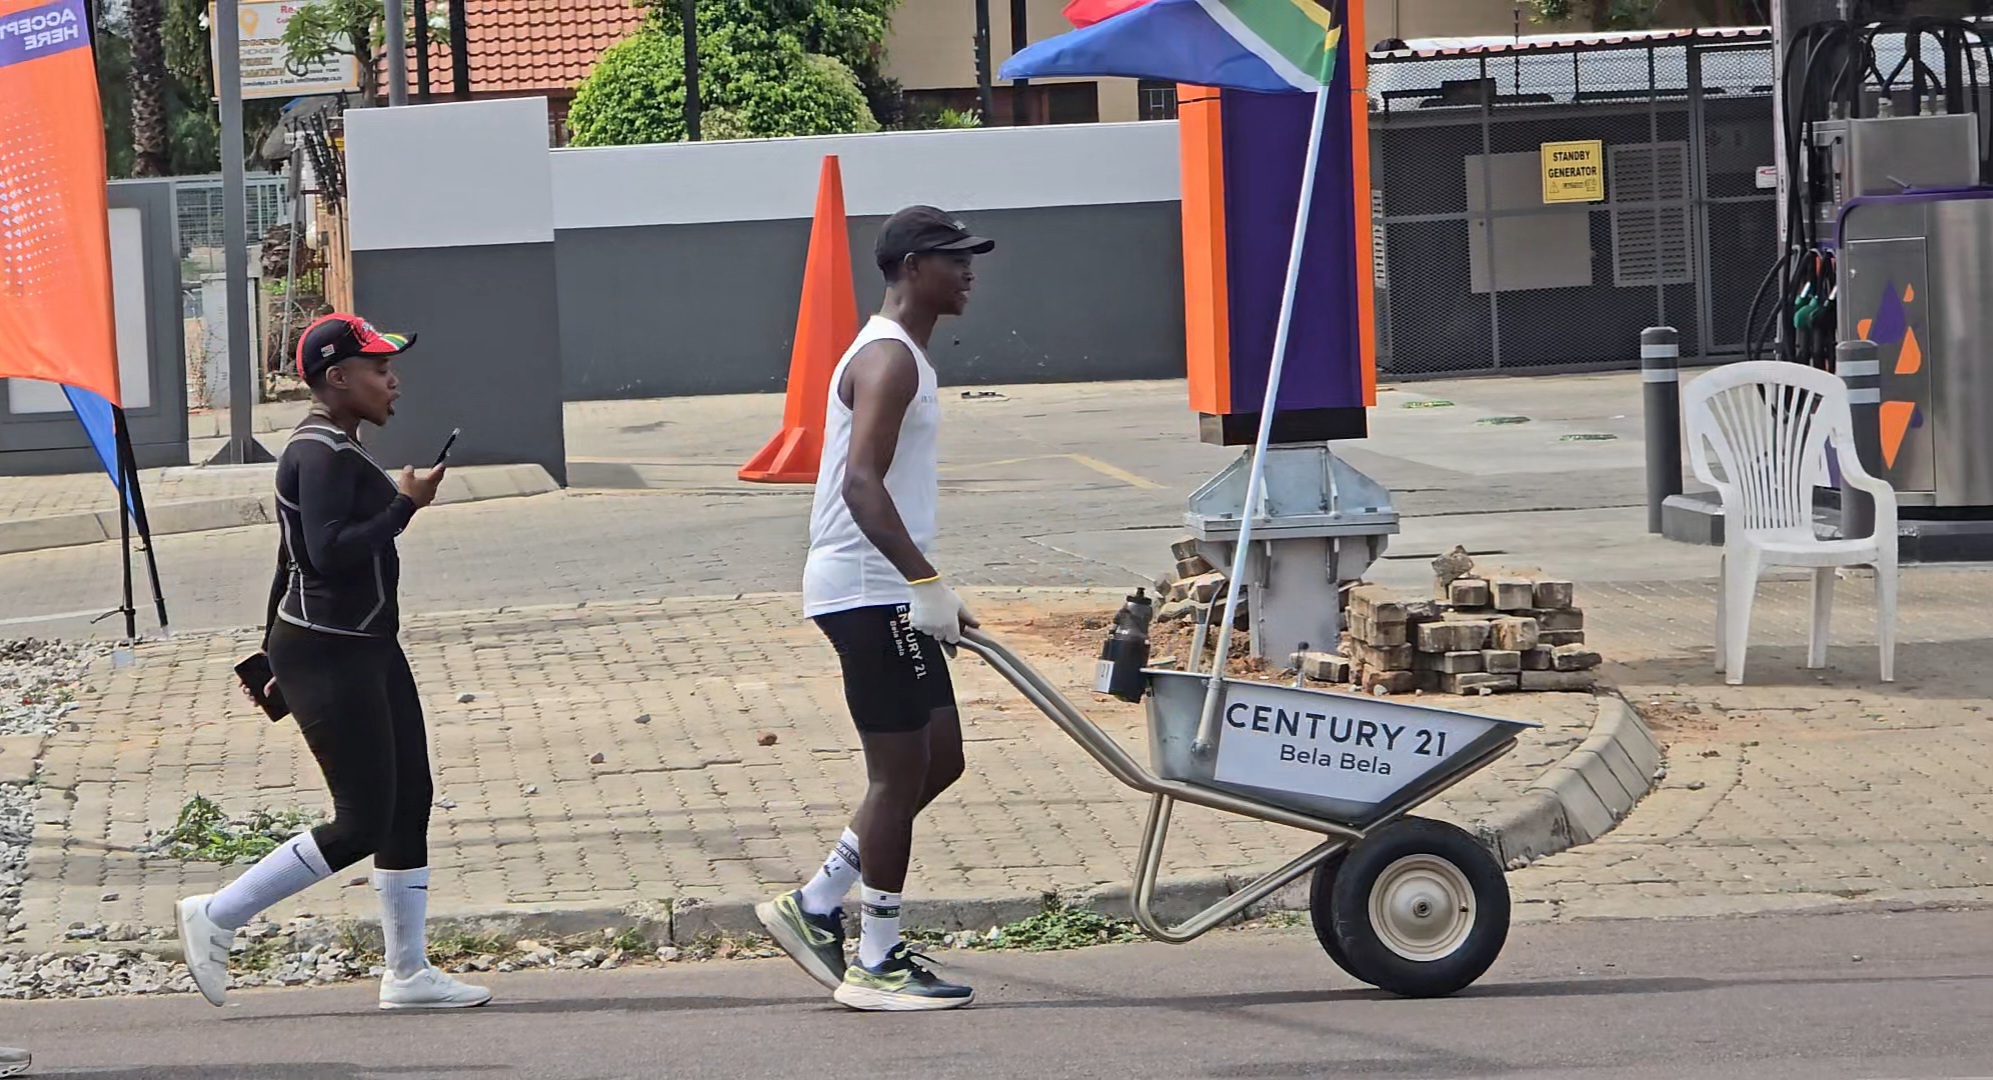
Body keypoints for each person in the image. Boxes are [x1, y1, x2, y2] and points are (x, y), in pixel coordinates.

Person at [176, 313, 489, 1011]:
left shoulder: (338, 447)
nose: (393, 381)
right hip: (329, 649)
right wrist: (406, 506)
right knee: (362, 819)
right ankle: (218, 914)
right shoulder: (317, 452)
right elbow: (324, 554)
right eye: (378, 370)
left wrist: (266, 655)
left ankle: (407, 974)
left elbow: (289, 558)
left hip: (364, 645)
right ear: (336, 379)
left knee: (411, 799)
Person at [756, 206, 992, 1012]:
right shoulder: (888, 357)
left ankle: (815, 901)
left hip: (885, 587)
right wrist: (923, 584)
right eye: (955, 259)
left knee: (941, 758)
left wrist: (928, 588)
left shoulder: (907, 356)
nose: (969, 273)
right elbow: (860, 484)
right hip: (865, 589)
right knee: (898, 776)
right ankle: (875, 959)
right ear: (913, 266)